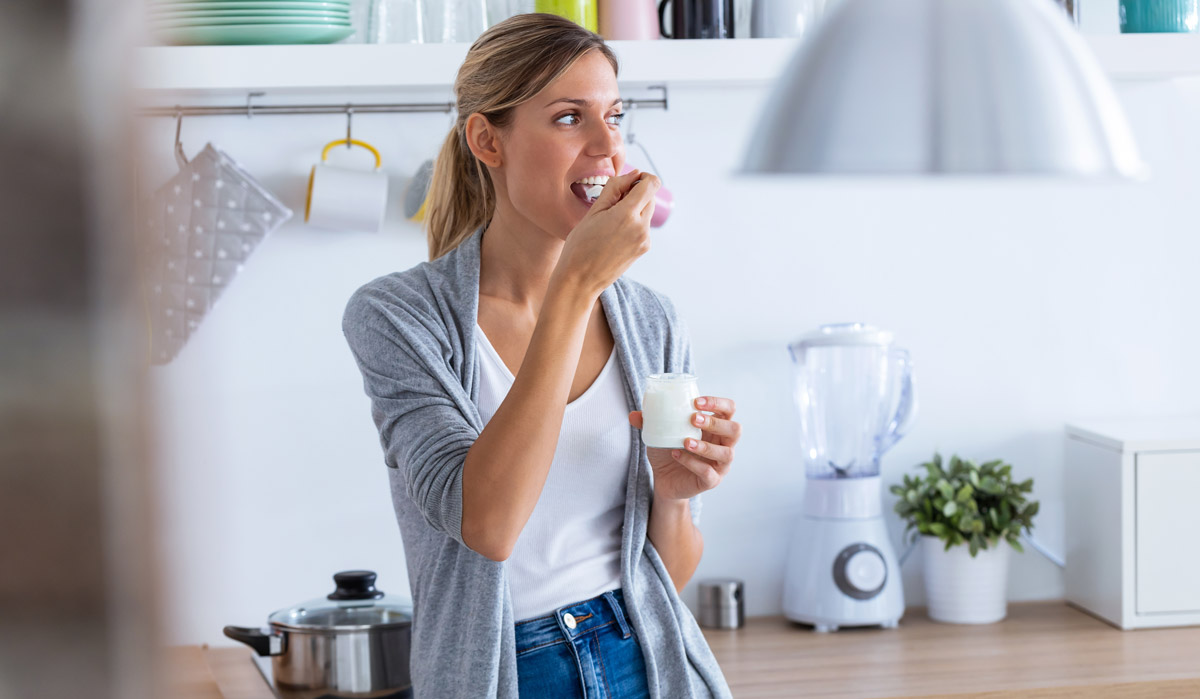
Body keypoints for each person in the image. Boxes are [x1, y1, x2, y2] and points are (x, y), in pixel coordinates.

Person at [342, 13, 740, 698]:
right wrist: (576, 285)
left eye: (615, 116)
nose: (607, 145)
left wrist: (674, 497)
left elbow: (666, 573)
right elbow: (488, 524)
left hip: (640, 656)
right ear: (487, 140)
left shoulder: (650, 318)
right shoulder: (398, 317)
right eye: (567, 118)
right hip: (508, 672)